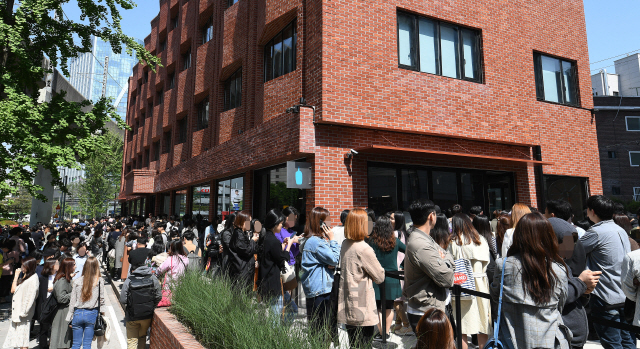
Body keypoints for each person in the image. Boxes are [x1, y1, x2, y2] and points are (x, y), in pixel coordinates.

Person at [490, 213, 571, 349]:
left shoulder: (504, 265)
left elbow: (495, 298)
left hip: (512, 339)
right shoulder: (558, 269)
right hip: (550, 340)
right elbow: (560, 306)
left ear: (519, 236)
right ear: (548, 236)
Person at [579, 195, 635, 349]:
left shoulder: (595, 232)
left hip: (605, 296)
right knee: (628, 342)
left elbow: (572, 252)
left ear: (592, 211)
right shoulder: (621, 230)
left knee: (612, 344)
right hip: (625, 295)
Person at [403, 199, 455, 333]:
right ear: (431, 216)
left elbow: (446, 255)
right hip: (427, 312)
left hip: (431, 308)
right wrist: (446, 261)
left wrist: (445, 259)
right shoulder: (421, 244)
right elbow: (447, 279)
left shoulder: (423, 237)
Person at [337, 208, 385, 348]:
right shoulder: (364, 249)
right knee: (364, 343)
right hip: (362, 304)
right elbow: (380, 276)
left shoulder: (346, 244)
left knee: (353, 343)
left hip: (348, 302)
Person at [447, 213, 491, 349]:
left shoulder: (453, 241)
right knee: (484, 321)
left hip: (463, 284)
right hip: (481, 284)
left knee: (462, 324)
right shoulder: (481, 240)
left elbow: (449, 263)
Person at [300, 207, 340, 334]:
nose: (330, 223)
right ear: (321, 223)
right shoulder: (316, 242)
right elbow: (334, 259)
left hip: (316, 288)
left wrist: (329, 263)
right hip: (320, 290)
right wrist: (333, 239)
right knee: (320, 329)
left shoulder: (312, 239)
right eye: (328, 220)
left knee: (318, 327)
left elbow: (329, 261)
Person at [367, 215, 406, 341]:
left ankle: (381, 333)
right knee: (389, 306)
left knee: (378, 306)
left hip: (376, 277)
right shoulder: (395, 241)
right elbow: (409, 251)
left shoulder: (371, 241)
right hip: (393, 277)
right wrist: (402, 266)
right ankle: (387, 332)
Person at [258, 209, 298, 320]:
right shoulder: (272, 240)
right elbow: (282, 260)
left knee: (278, 314)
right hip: (273, 284)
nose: (281, 226)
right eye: (280, 224)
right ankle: (277, 335)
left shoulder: (266, 238)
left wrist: (282, 246)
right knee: (276, 318)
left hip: (267, 282)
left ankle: (279, 333)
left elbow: (274, 255)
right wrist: (289, 245)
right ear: (275, 224)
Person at [120, 244, 163, 349]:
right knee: (142, 337)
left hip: (132, 316)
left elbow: (122, 299)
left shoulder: (129, 280)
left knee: (132, 341)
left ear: (133, 269)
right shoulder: (153, 278)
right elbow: (158, 296)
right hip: (147, 315)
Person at [67, 256, 105, 349]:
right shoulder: (99, 281)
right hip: (92, 313)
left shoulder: (77, 281)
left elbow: (72, 301)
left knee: (76, 344)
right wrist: (103, 313)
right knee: (87, 344)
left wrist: (69, 317)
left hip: (77, 313)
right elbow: (102, 299)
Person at [2, 257, 38, 349]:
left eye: (24, 265)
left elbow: (30, 297)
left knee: (23, 340)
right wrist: (16, 276)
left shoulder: (33, 279)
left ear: (29, 266)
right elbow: (13, 290)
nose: (22, 267)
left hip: (23, 313)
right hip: (17, 311)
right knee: (17, 338)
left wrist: (24, 312)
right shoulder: (24, 276)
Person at [389, 211, 411, 336]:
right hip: (403, 270)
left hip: (395, 270)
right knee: (400, 300)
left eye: (392, 219)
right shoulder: (405, 234)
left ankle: (406, 325)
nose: (389, 220)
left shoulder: (395, 234)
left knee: (396, 300)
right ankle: (398, 324)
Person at [228, 211, 258, 288]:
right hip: (241, 272)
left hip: (244, 270)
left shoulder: (242, 233)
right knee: (242, 295)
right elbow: (246, 251)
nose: (250, 224)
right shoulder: (238, 234)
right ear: (242, 222)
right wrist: (252, 241)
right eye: (248, 222)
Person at [50, 258, 75, 349]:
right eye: (74, 264)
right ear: (69, 266)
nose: (75, 266)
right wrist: (74, 293)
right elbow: (61, 298)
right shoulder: (62, 280)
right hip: (62, 313)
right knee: (61, 342)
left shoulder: (65, 278)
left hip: (65, 312)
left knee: (64, 342)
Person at [37, 259, 59, 349]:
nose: (59, 265)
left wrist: (53, 288)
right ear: (52, 266)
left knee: (55, 327)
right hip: (45, 305)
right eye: (57, 264)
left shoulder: (59, 277)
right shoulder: (42, 278)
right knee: (44, 328)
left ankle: (53, 345)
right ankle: (43, 346)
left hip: (56, 305)